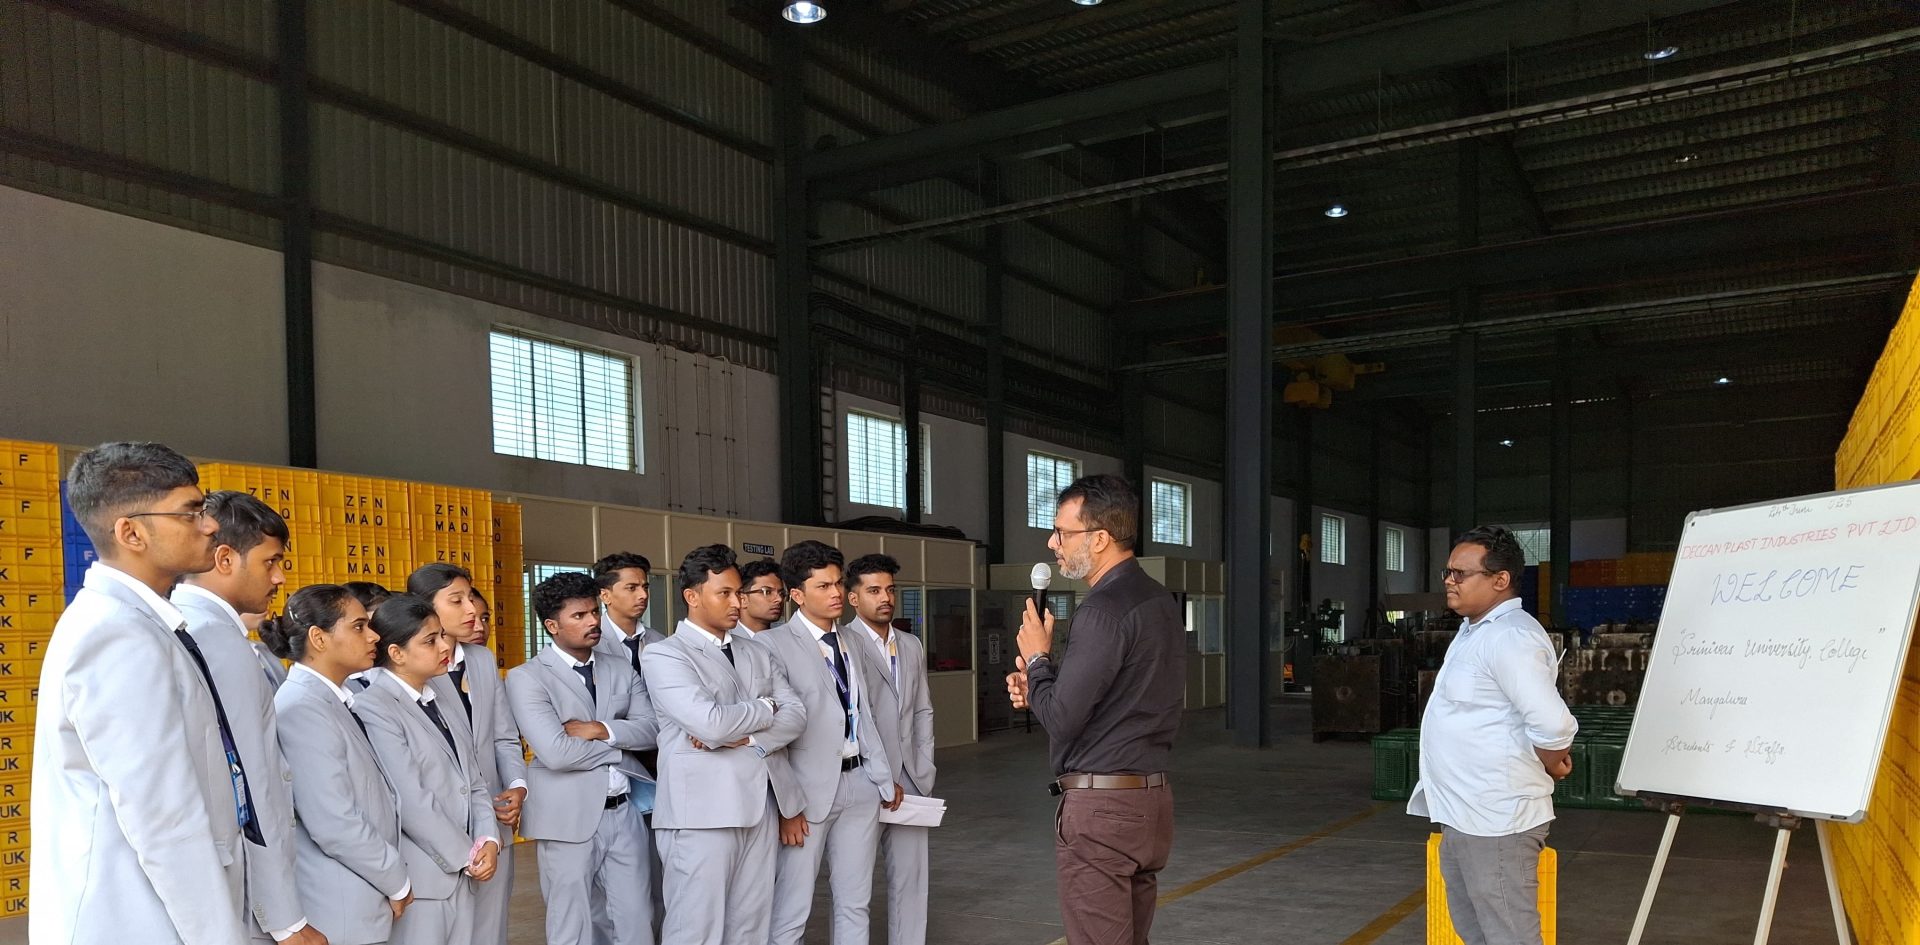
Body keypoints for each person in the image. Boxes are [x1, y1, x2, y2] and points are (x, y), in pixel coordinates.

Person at [30, 442, 251, 944]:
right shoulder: (116, 633)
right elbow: (163, 815)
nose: (210, 526)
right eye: (190, 513)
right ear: (131, 532)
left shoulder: (138, 623)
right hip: (133, 918)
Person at [1006, 473, 1184, 945]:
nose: (1053, 543)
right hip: (1150, 804)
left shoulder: (1103, 609)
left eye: (1062, 532)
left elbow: (1063, 718)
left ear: (1100, 538)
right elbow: (1117, 695)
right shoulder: (1158, 600)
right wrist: (1039, 687)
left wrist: (1038, 659)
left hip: (1104, 810)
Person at [1409, 525, 1577, 945]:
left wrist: (1552, 761)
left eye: (1461, 574)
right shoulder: (1475, 630)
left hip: (1497, 822)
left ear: (1500, 580)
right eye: (1448, 572)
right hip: (1464, 815)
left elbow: (1553, 723)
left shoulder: (1511, 636)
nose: (1450, 581)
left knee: (1509, 935)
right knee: (1475, 931)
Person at [174, 492, 322, 945]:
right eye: (270, 562)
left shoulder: (188, 625)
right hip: (245, 893)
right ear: (224, 559)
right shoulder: (216, 638)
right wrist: (285, 917)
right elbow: (251, 780)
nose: (279, 577)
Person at [641, 544, 807, 945]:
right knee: (695, 929)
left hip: (760, 806)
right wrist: (767, 706)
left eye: (739, 593)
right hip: (701, 815)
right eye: (725, 594)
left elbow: (798, 715)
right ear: (692, 596)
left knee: (750, 927)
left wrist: (750, 733)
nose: (737, 603)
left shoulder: (756, 650)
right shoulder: (665, 654)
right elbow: (710, 724)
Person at [506, 571, 660, 945]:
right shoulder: (527, 678)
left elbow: (653, 729)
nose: (593, 621)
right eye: (579, 615)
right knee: (573, 925)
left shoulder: (619, 667)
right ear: (552, 626)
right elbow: (556, 753)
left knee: (637, 920)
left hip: (624, 812)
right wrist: (620, 745)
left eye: (593, 612)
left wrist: (598, 729)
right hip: (565, 818)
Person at [263, 585, 415, 945]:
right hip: (340, 908)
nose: (373, 636)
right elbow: (334, 820)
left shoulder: (332, 699)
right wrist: (396, 879)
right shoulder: (302, 708)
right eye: (359, 626)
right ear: (319, 638)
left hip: (361, 897)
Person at [763, 540, 897, 945]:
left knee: (856, 902)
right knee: (792, 906)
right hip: (805, 793)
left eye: (838, 583)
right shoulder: (771, 646)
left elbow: (864, 713)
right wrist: (788, 806)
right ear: (797, 595)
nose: (836, 593)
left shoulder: (852, 641)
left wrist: (881, 777)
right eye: (823, 586)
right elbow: (772, 735)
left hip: (861, 784)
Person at [353, 594, 501, 945]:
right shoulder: (374, 706)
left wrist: (489, 840)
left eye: (442, 636)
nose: (444, 647)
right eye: (430, 641)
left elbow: (473, 780)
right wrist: (467, 855)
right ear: (396, 653)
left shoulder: (439, 694)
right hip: (423, 878)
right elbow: (411, 799)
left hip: (465, 871)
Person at [407, 564, 526, 945]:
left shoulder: (482, 659)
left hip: (494, 818)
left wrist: (517, 785)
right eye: (456, 600)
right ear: (425, 608)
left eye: (470, 597)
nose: (472, 609)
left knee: (491, 928)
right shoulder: (413, 668)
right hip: (440, 824)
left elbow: (503, 736)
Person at [845, 554, 937, 945]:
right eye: (874, 590)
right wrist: (877, 774)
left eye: (890, 590)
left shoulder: (911, 644)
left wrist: (924, 766)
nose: (885, 598)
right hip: (863, 780)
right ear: (853, 598)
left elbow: (922, 709)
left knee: (912, 881)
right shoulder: (843, 644)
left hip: (911, 780)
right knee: (854, 887)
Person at [594, 552, 665, 675]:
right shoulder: (592, 643)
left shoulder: (659, 641)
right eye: (631, 588)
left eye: (645, 587)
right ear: (605, 596)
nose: (644, 595)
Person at [736, 558, 785, 634]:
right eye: (767, 592)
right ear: (742, 599)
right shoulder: (724, 638)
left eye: (782, 593)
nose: (779, 599)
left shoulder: (785, 636)